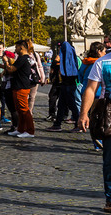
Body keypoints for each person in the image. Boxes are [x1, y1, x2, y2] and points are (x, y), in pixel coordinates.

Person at [77, 41, 111, 212]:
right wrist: (84, 113)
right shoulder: (102, 62)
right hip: (109, 114)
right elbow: (90, 89)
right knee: (110, 159)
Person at [49, 39, 83, 131]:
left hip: (68, 84)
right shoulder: (70, 58)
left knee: (72, 105)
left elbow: (66, 72)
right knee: (61, 105)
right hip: (66, 84)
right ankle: (57, 124)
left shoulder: (68, 59)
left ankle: (77, 123)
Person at [6, 40, 36, 138]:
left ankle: (30, 131)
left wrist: (6, 61)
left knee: (24, 110)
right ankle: (21, 129)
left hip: (22, 87)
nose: (15, 49)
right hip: (18, 86)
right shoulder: (24, 58)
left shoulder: (23, 58)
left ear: (21, 47)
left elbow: (11, 69)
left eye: (16, 47)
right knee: (19, 110)